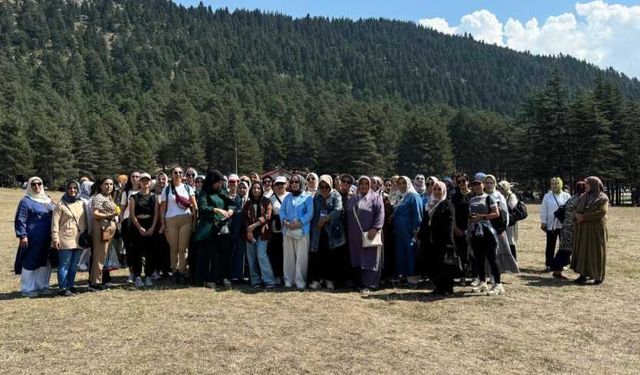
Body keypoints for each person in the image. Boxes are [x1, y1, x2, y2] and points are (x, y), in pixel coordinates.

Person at [14, 177, 55, 297]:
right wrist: (22, 235)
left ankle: (42, 286)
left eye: (39, 184)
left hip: (48, 238)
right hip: (33, 238)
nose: (37, 187)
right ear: (29, 186)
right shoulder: (26, 201)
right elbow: (20, 219)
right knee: (31, 261)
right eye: (33, 184)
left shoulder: (48, 200)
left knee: (45, 262)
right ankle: (28, 289)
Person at [195, 170, 236, 288]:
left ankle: (222, 277)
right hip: (208, 228)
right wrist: (216, 210)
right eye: (217, 182)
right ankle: (208, 279)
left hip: (222, 228)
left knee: (222, 254)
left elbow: (231, 203)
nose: (219, 185)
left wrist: (230, 210)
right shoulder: (204, 193)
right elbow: (202, 207)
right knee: (209, 254)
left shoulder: (222, 192)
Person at [158, 166, 198, 284]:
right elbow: (163, 208)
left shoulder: (188, 188)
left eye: (180, 172)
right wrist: (162, 224)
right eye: (175, 172)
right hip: (170, 219)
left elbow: (195, 207)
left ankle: (181, 271)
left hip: (186, 219)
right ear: (172, 174)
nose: (178, 174)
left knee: (183, 248)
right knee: (173, 248)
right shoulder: (166, 189)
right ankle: (174, 271)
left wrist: (194, 222)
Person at [467, 173, 504, 296]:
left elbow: (496, 213)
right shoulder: (471, 199)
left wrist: (482, 217)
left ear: (483, 185)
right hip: (475, 231)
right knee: (479, 258)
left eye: (478, 184)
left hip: (488, 231)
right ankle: (482, 282)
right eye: (474, 184)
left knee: (492, 257)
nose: (476, 186)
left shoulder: (489, 198)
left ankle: (498, 284)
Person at [346, 176, 384, 293]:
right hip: (355, 235)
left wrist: (375, 228)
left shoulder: (376, 198)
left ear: (370, 185)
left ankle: (369, 284)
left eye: (366, 184)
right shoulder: (353, 199)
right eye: (361, 183)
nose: (363, 186)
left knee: (369, 258)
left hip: (369, 234)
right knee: (357, 257)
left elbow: (380, 214)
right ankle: (358, 282)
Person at [419, 181, 457, 295]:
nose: (436, 192)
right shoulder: (429, 204)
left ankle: (447, 288)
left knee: (444, 264)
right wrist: (420, 234)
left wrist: (449, 241)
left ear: (444, 191)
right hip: (429, 239)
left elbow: (450, 224)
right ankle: (438, 286)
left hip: (442, 240)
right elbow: (424, 222)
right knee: (432, 263)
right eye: (435, 189)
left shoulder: (447, 205)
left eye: (439, 189)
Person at [309, 175, 347, 290]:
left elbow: (338, 210)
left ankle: (330, 280)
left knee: (332, 257)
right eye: (322, 186)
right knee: (318, 256)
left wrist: (325, 219)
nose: (324, 189)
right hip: (319, 232)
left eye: (327, 187)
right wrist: (317, 225)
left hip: (333, 231)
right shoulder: (316, 197)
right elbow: (314, 213)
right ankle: (317, 280)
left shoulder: (336, 195)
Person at [52, 180, 88, 296]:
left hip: (79, 238)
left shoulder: (81, 203)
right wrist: (55, 238)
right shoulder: (61, 204)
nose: (72, 190)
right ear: (66, 189)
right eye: (70, 188)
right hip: (65, 238)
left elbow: (85, 220)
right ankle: (62, 288)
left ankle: (70, 286)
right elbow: (55, 223)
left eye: (75, 188)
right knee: (64, 264)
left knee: (73, 265)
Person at [571, 176, 609, 285]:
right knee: (584, 251)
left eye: (587, 183)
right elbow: (574, 208)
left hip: (596, 230)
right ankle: (583, 275)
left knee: (596, 252)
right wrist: (576, 215)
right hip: (583, 230)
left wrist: (584, 217)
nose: (585, 185)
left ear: (593, 185)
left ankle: (598, 276)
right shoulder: (583, 196)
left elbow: (601, 212)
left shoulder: (603, 198)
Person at [280, 174, 314, 289]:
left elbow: (310, 213)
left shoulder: (307, 197)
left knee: (301, 257)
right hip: (288, 230)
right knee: (288, 257)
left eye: (297, 182)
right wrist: (286, 222)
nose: (294, 184)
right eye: (292, 182)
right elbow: (282, 212)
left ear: (301, 183)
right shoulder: (287, 197)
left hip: (302, 231)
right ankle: (288, 280)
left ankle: (300, 281)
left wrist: (299, 223)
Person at [244, 181, 277, 289]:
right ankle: (255, 280)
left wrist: (254, 225)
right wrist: (249, 230)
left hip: (263, 233)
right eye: (254, 188)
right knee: (251, 257)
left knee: (262, 256)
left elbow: (268, 215)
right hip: (250, 235)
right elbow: (245, 219)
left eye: (258, 188)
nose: (256, 190)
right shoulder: (248, 204)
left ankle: (269, 280)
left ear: (261, 190)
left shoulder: (267, 201)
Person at [484, 175, 519, 275]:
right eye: (487, 183)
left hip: (496, 229)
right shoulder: (481, 195)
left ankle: (494, 276)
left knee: (496, 253)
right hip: (483, 228)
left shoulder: (498, 196)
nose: (489, 185)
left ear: (494, 184)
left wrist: (502, 228)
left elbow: (505, 214)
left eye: (491, 183)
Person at [89, 177, 119, 291]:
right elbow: (95, 213)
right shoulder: (99, 197)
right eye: (106, 184)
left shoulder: (109, 197)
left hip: (108, 228)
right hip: (101, 228)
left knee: (104, 255)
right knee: (99, 255)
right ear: (101, 185)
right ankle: (95, 282)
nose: (109, 186)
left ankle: (98, 280)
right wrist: (108, 216)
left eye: (111, 184)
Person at [128, 173, 158, 288]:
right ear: (139, 182)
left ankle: (148, 276)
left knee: (151, 252)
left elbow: (156, 214)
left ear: (150, 182)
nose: (145, 182)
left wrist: (152, 227)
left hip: (150, 224)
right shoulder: (133, 197)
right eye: (143, 180)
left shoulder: (154, 197)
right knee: (137, 252)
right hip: (137, 225)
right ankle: (138, 276)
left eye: (147, 180)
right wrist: (139, 228)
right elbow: (132, 215)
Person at [552, 181, 586, 279]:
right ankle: (557, 270)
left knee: (563, 249)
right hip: (572, 228)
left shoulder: (572, 198)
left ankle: (557, 270)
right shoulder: (580, 199)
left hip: (566, 227)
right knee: (566, 251)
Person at [392, 176, 423, 287]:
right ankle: (403, 276)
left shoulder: (414, 196)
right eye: (399, 183)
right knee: (401, 253)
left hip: (410, 231)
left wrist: (416, 230)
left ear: (408, 183)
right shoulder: (399, 197)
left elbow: (418, 214)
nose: (401, 185)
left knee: (411, 253)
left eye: (403, 183)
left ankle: (413, 279)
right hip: (399, 232)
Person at [540, 177, 571, 271]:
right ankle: (549, 264)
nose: (553, 186)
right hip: (551, 225)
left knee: (564, 245)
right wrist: (544, 222)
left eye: (555, 183)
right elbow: (544, 210)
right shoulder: (547, 196)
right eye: (552, 184)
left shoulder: (566, 196)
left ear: (560, 184)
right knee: (550, 245)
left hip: (563, 224)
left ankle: (563, 263)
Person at [119, 171, 141, 283]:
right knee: (130, 249)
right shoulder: (126, 193)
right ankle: (131, 273)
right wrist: (122, 222)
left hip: (142, 223)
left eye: (137, 176)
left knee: (140, 250)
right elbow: (122, 210)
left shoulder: (144, 191)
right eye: (133, 176)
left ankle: (140, 273)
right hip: (128, 223)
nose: (135, 178)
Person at [451, 173, 473, 280]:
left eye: (463, 181)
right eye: (459, 182)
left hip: (472, 228)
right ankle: (462, 276)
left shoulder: (473, 195)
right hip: (459, 229)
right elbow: (452, 214)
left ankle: (474, 275)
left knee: (473, 252)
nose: (461, 183)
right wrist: (455, 228)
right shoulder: (455, 197)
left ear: (468, 181)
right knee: (461, 252)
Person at [268, 176, 289, 283]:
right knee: (276, 253)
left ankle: (287, 275)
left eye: (282, 183)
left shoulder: (290, 196)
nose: (280, 186)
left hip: (288, 228)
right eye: (277, 184)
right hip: (276, 229)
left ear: (286, 184)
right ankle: (278, 275)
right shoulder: (271, 198)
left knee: (287, 253)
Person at [230, 181, 249, 282]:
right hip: (235, 232)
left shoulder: (250, 201)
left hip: (247, 231)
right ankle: (235, 275)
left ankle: (244, 275)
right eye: (240, 188)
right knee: (235, 253)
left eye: (244, 188)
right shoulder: (233, 200)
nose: (242, 190)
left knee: (245, 255)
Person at [153, 172, 171, 279]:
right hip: (157, 224)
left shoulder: (170, 192)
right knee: (156, 248)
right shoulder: (153, 193)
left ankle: (167, 269)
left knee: (167, 247)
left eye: (163, 179)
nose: (161, 181)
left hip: (169, 223)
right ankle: (156, 270)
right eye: (159, 179)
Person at [498, 180, 520, 260]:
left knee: (510, 241)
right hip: (503, 221)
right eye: (499, 188)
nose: (500, 190)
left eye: (502, 188)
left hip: (510, 222)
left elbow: (511, 207)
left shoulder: (511, 196)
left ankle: (514, 260)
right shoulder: (500, 196)